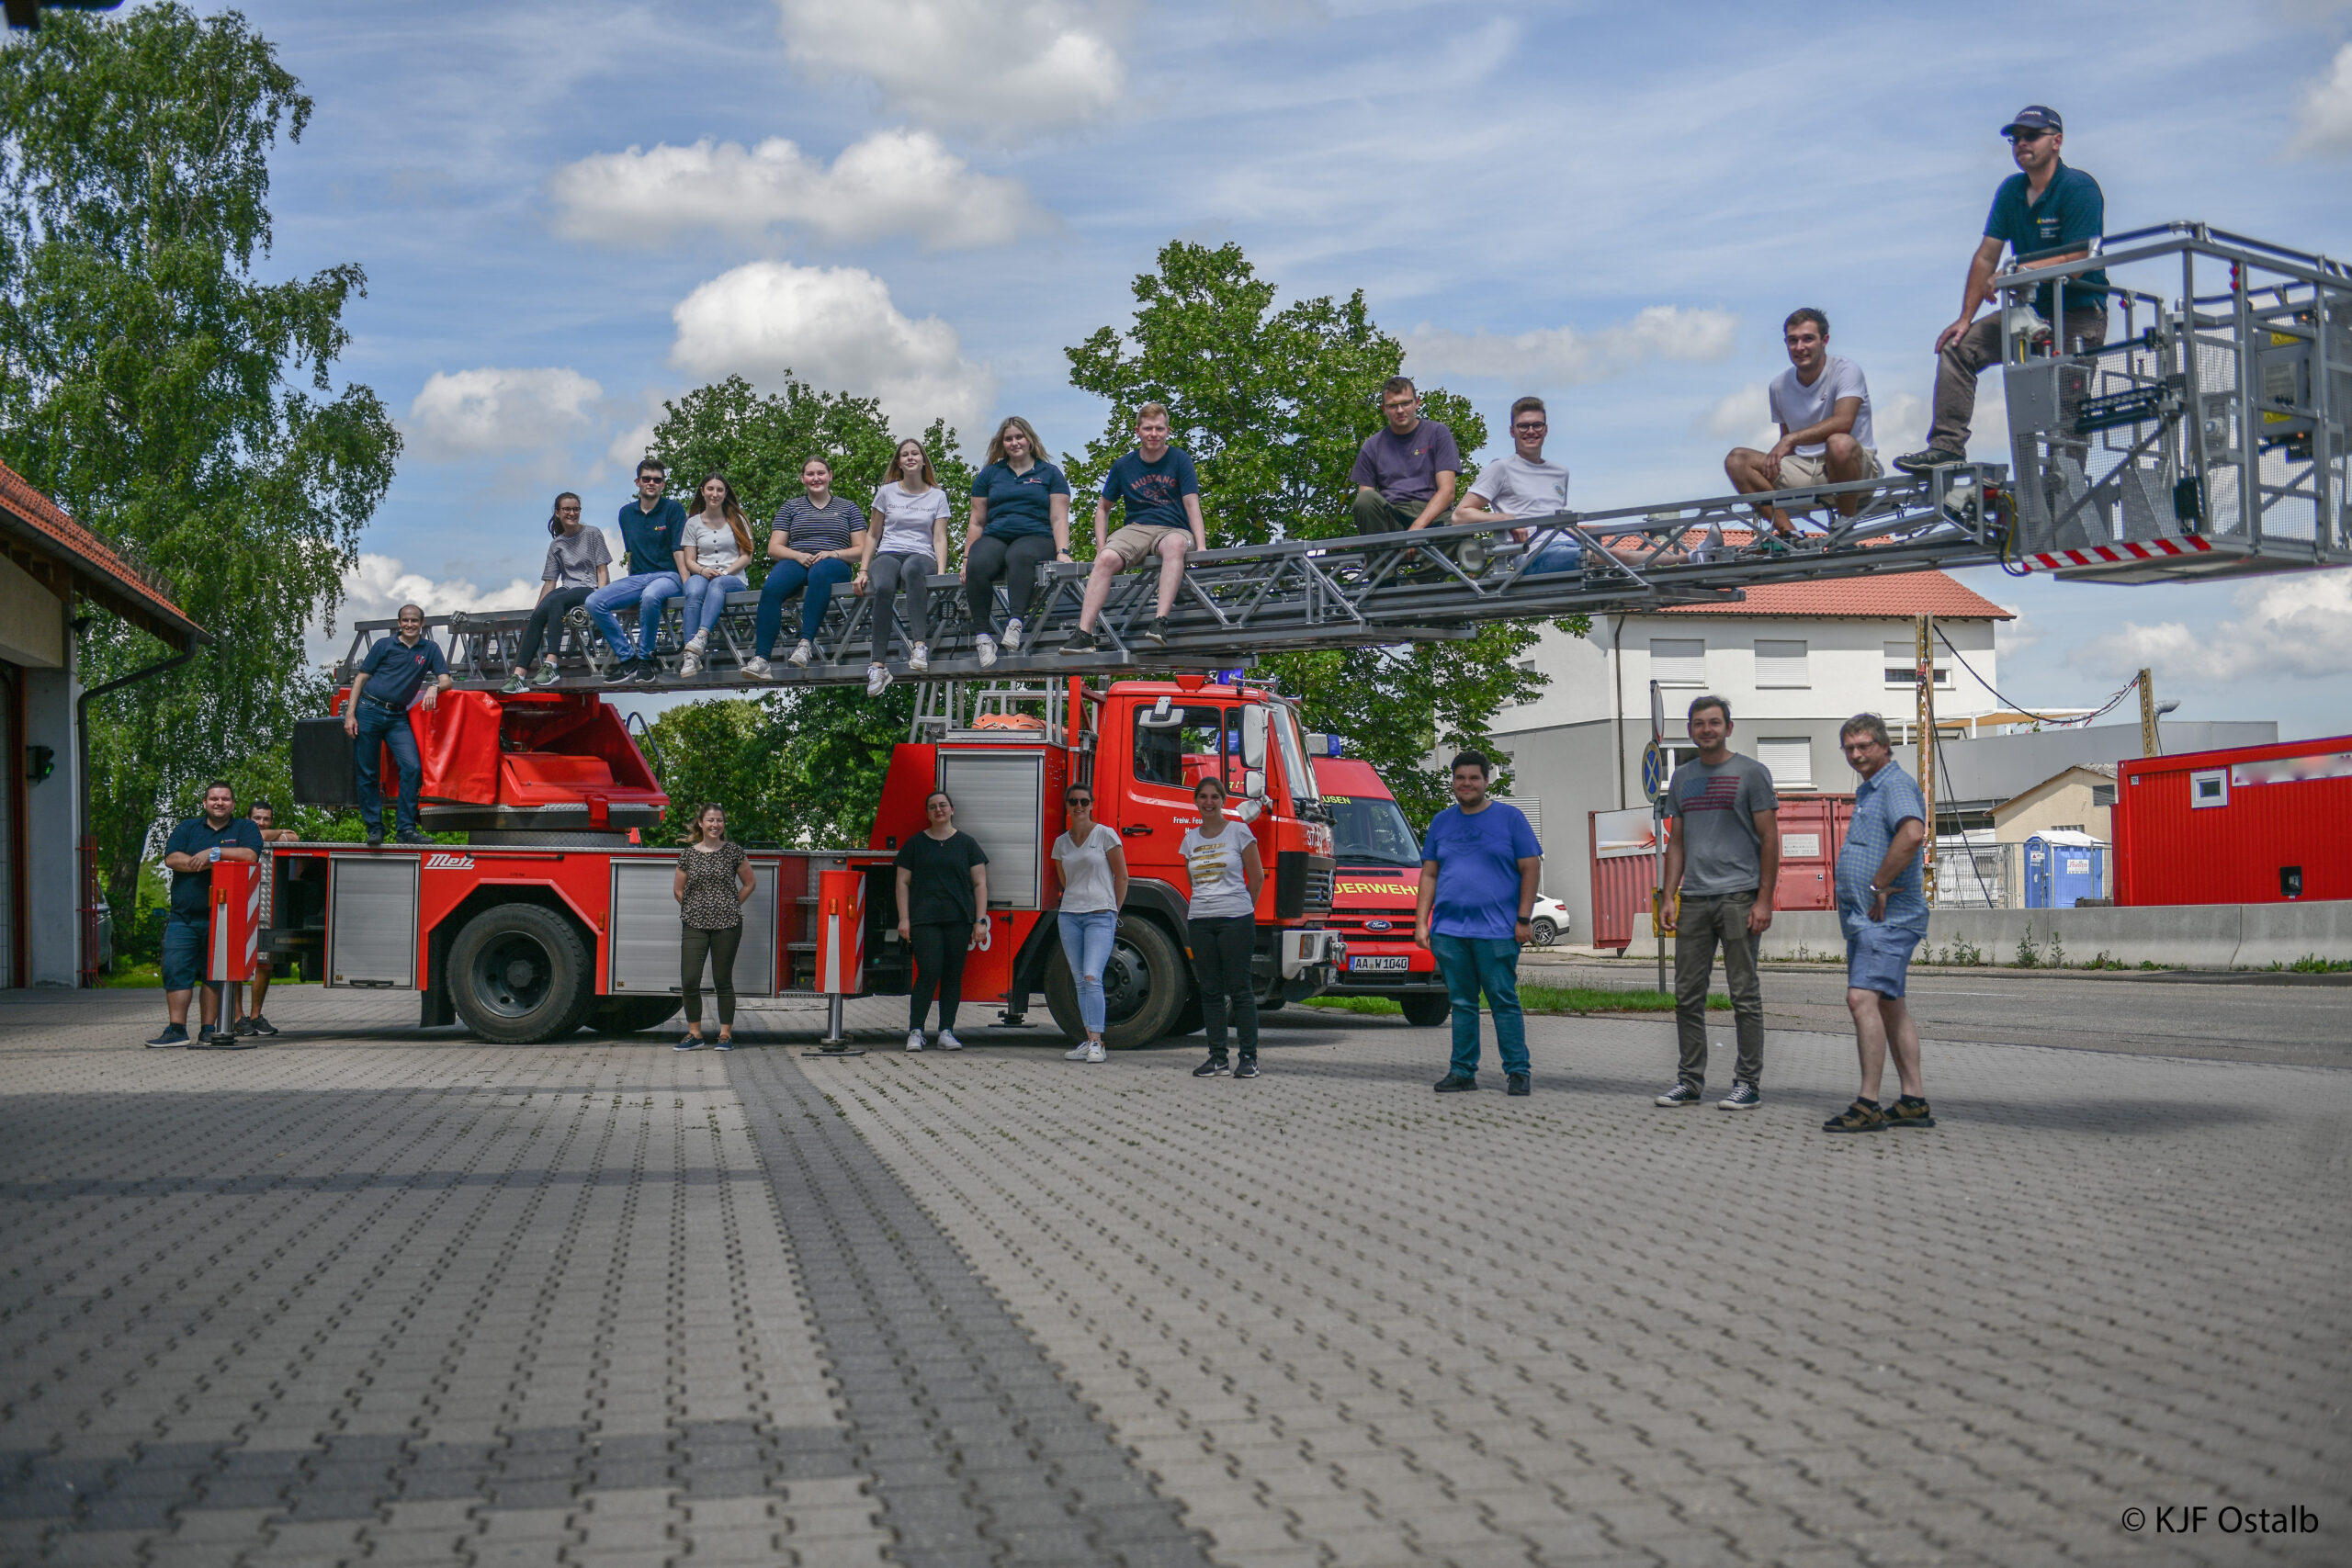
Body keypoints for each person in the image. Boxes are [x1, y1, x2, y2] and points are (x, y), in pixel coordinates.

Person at [1895, 106, 2108, 473]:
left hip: (2077, 315)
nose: (2022, 143)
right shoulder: (2011, 190)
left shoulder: (2078, 188)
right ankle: (1947, 446)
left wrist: (2020, 271)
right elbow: (1985, 257)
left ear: (2056, 141)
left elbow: (2078, 258)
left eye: (2031, 136)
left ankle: (2067, 483)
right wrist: (1965, 318)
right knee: (1957, 348)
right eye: (2016, 138)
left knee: (2068, 404)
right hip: (2030, 314)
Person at [1651, 697, 1780, 1111]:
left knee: (1744, 995)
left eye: (1714, 722)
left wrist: (1764, 900)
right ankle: (1689, 1081)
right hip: (1695, 898)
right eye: (1699, 724)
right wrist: (1668, 896)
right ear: (1689, 730)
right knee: (1687, 995)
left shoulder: (1751, 773)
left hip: (1739, 897)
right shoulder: (1684, 777)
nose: (1706, 729)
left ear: (1729, 726)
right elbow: (1678, 844)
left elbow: (1771, 841)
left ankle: (1748, 1084)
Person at [1822, 713, 1935, 1133]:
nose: (1856, 754)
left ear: (1885, 747)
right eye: (1849, 748)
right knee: (1891, 1006)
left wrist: (1878, 885)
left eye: (1864, 746)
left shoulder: (1894, 785)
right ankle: (1913, 1100)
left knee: (1860, 1000)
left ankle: (1868, 1103)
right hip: (1867, 920)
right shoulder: (1871, 790)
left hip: (1887, 920)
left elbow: (1912, 833)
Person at [1416, 751, 1542, 1096]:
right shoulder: (1441, 822)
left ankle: (1518, 1072)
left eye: (1474, 778)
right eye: (1460, 778)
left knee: (1503, 1000)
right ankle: (1462, 1072)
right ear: (1453, 782)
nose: (1466, 784)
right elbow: (1429, 874)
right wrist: (1421, 923)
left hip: (1498, 931)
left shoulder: (1510, 819)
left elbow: (1531, 867)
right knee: (1462, 1003)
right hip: (1450, 931)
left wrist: (1523, 919)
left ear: (1487, 781)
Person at [1059, 403, 1205, 654]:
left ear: (1168, 431)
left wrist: (1201, 546)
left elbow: (1192, 503)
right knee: (1106, 558)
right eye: (1148, 428)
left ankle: (1160, 621)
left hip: (1173, 528)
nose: (1154, 434)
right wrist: (1100, 545)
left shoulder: (1180, 459)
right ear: (1137, 431)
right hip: (1137, 528)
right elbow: (1103, 508)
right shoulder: (1123, 465)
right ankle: (1084, 634)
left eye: (1159, 428)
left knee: (1175, 545)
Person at [1724, 310, 1883, 539]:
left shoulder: (1846, 371)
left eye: (1808, 338)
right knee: (1736, 460)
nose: (1800, 347)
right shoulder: (1779, 385)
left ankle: (1845, 528)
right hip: (1805, 469)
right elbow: (1786, 445)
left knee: (1839, 443)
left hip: (1853, 469)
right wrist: (1772, 462)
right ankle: (1790, 534)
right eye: (1793, 340)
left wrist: (1791, 439)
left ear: (1824, 341)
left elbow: (1843, 422)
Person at [149, 781, 263, 1048]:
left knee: (213, 976)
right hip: (183, 918)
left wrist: (215, 854)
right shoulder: (186, 828)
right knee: (176, 972)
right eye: (214, 798)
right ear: (205, 803)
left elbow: (250, 856)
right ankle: (176, 1030)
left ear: (233, 804)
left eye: (225, 799)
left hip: (223, 918)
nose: (219, 803)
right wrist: (201, 863)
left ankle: (208, 1030)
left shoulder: (245, 828)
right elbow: (171, 858)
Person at [742, 457, 868, 679]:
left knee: (820, 572)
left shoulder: (848, 508)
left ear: (830, 476)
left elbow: (862, 549)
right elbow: (774, 547)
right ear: (803, 479)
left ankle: (805, 643)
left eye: (821, 473)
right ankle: (762, 658)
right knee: (771, 587)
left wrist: (834, 553)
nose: (816, 478)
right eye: (810, 474)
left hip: (834, 563)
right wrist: (798, 556)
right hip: (798, 559)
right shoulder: (791, 507)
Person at [963, 416, 1071, 667]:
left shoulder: (1049, 473)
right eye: (1009, 438)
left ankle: (1015, 622)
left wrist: (1062, 551)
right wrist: (967, 556)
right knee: (977, 564)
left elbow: (1058, 517)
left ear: (1030, 440)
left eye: (1019, 437)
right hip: (997, 534)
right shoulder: (990, 474)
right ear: (1002, 443)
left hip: (1036, 535)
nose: (1014, 442)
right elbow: (977, 521)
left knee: (1018, 556)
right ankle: (983, 637)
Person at [345, 603, 450, 847]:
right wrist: (350, 714)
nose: (410, 624)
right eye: (405, 620)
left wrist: (434, 686)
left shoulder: (430, 649)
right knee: (368, 772)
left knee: (412, 767)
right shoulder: (384, 645)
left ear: (422, 624)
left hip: (397, 717)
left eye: (414, 620)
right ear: (399, 623)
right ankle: (375, 829)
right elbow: (361, 678)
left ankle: (405, 829)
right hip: (369, 710)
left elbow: (446, 680)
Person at [1182, 775, 1266, 1079]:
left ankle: (1249, 1059)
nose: (1208, 802)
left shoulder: (1239, 832)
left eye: (1214, 797)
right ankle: (1217, 1058)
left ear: (1223, 800)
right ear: (1196, 802)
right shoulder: (1190, 839)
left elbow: (1256, 877)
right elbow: (1192, 882)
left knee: (1240, 990)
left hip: (1236, 921)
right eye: (1203, 797)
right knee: (1211, 991)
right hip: (1201, 922)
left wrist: (1242, 909)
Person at [896, 789, 989, 1053]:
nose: (939, 810)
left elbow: (980, 883)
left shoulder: (967, 844)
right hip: (924, 920)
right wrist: (904, 918)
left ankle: (947, 1031)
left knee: (952, 976)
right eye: (933, 807)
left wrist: (979, 920)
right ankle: (916, 1031)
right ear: (928, 813)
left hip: (958, 919)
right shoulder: (915, 844)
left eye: (943, 805)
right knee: (929, 972)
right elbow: (902, 882)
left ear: (952, 810)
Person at [859, 437, 953, 694]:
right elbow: (873, 533)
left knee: (912, 571)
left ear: (923, 461)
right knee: (885, 584)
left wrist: (942, 572)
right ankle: (878, 666)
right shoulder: (886, 492)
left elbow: (939, 536)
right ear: (899, 463)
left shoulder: (938, 496)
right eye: (905, 455)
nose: (910, 458)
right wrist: (864, 569)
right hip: (889, 551)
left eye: (915, 454)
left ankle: (919, 646)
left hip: (921, 554)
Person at [586, 458, 687, 683]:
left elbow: (679, 549)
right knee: (594, 602)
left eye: (657, 479)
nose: (651, 482)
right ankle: (628, 659)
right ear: (637, 482)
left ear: (663, 484)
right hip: (639, 578)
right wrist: (631, 585)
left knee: (651, 596)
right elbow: (631, 552)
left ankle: (645, 658)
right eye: (646, 479)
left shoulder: (674, 509)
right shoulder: (626, 514)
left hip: (668, 576)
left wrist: (686, 583)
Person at [1052, 782, 1128, 1065]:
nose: (1079, 806)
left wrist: (1113, 911)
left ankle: (1097, 1043)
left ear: (1092, 804)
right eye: (1073, 801)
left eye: (1084, 801)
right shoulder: (1061, 843)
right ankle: (1088, 1040)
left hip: (1100, 915)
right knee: (1080, 981)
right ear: (1067, 806)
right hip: (1070, 915)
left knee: (1091, 977)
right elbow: (1065, 880)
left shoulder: (1106, 835)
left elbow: (1122, 877)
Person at [507, 492, 612, 692]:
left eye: (576, 509)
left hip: (590, 588)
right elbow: (550, 582)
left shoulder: (592, 533)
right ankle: (518, 675)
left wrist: (602, 599)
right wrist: (536, 616)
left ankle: (552, 664)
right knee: (540, 611)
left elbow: (602, 570)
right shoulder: (557, 544)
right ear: (558, 513)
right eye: (567, 509)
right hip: (568, 588)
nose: (572, 513)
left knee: (557, 602)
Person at [673, 803, 756, 1051]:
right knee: (689, 980)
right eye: (710, 820)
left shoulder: (733, 852)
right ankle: (694, 1034)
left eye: (719, 820)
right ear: (701, 823)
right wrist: (691, 908)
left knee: (722, 979)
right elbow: (678, 890)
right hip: (694, 925)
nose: (715, 825)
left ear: (723, 824)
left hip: (727, 925)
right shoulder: (688, 854)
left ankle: (725, 1035)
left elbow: (750, 884)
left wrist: (731, 904)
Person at [1350, 376, 1459, 536]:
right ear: (1384, 409)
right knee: (1365, 500)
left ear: (1417, 403)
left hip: (1434, 517)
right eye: (1393, 406)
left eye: (1406, 403)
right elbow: (1365, 500)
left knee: (1462, 526)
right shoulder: (1372, 446)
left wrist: (1416, 530)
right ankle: (1380, 557)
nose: (1400, 410)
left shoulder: (1438, 433)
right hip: (1393, 518)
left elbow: (1447, 491)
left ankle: (1429, 558)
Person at [230, 799, 299, 1038]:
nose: (261, 822)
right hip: (239, 904)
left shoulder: (257, 834)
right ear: (247, 819)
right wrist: (278, 833)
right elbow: (255, 839)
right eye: (257, 818)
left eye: (266, 819)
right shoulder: (236, 833)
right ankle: (238, 1017)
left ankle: (256, 1016)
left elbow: (296, 838)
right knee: (237, 964)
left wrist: (276, 834)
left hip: (265, 905)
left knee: (264, 962)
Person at [674, 474, 755, 678]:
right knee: (693, 590)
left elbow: (747, 556)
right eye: (710, 489)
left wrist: (725, 572)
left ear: (725, 493)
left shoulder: (737, 520)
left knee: (717, 585)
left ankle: (701, 636)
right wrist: (702, 571)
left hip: (733, 577)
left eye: (719, 490)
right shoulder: (692, 523)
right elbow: (689, 560)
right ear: (702, 491)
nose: (715, 494)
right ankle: (691, 657)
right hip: (703, 572)